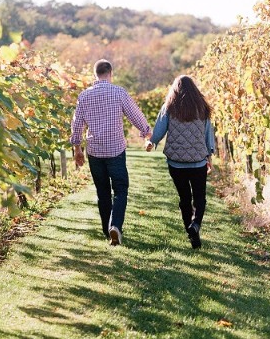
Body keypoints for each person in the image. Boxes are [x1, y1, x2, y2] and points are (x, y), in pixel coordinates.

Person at [70, 59, 151, 246]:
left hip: (95, 150)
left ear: (95, 74)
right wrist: (146, 131)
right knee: (121, 189)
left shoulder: (84, 96)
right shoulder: (118, 92)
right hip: (115, 149)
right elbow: (134, 114)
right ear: (110, 73)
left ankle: (108, 232)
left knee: (102, 192)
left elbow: (77, 124)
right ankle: (115, 226)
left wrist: (77, 148)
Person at [145, 75, 215, 249]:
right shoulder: (202, 108)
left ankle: (191, 234)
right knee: (200, 198)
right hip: (198, 161)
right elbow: (208, 134)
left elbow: (160, 129)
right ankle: (195, 224)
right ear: (194, 90)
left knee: (184, 199)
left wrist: (151, 142)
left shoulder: (169, 107)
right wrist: (209, 155)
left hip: (176, 163)